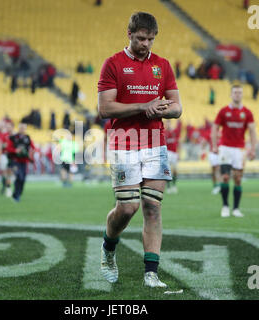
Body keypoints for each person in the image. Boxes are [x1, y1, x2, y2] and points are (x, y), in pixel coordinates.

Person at [97, 12, 182, 288]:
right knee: (128, 207)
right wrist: (143, 106)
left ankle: (151, 273)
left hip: (155, 144)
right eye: (142, 38)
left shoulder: (163, 66)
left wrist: (162, 109)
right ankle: (109, 249)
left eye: (151, 39)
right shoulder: (113, 64)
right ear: (129, 34)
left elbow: (177, 107)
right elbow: (105, 108)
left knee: (152, 207)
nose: (146, 44)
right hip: (124, 142)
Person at [211, 85, 257, 218]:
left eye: (240, 92)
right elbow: (215, 128)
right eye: (235, 92)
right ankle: (225, 206)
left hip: (239, 150)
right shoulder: (224, 111)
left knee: (238, 179)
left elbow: (253, 131)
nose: (237, 95)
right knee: (225, 177)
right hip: (225, 148)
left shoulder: (247, 113)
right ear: (231, 94)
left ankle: (236, 208)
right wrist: (214, 145)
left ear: (242, 95)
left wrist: (253, 149)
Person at [7, 122, 35, 202]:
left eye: (24, 128)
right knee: (18, 176)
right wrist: (15, 150)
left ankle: (18, 194)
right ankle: (16, 195)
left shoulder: (27, 138)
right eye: (21, 128)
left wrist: (30, 154)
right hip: (15, 161)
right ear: (18, 128)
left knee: (23, 179)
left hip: (24, 161)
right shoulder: (13, 138)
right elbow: (8, 148)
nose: (22, 129)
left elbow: (33, 148)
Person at [164, 120, 181, 194]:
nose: (168, 125)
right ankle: (168, 187)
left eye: (169, 123)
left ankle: (174, 185)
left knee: (175, 170)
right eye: (167, 123)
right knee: (168, 170)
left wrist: (179, 153)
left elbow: (179, 142)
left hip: (174, 153)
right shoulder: (164, 133)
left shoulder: (174, 132)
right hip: (167, 152)